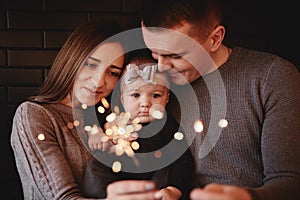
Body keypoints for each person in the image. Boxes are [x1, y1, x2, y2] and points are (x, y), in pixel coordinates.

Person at [105, 0, 300, 200]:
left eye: (175, 56)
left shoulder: (271, 77)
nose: (161, 68)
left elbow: (290, 183)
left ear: (215, 38)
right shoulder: (152, 81)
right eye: (155, 53)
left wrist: (247, 198)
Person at [10, 20, 127, 199]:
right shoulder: (34, 115)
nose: (99, 82)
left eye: (113, 73)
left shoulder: (109, 121)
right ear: (72, 60)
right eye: (91, 64)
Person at [82, 51, 195, 200]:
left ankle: (163, 193)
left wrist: (174, 190)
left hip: (155, 182)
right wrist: (97, 134)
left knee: (171, 164)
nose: (145, 103)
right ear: (122, 98)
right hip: (118, 180)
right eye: (135, 95)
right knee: (96, 166)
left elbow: (184, 162)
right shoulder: (115, 120)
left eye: (155, 95)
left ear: (167, 98)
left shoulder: (169, 127)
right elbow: (94, 124)